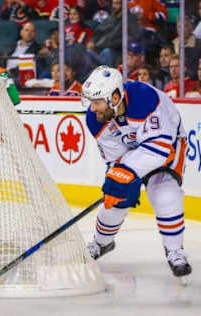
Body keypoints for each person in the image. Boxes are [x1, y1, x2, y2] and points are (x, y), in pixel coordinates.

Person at [81, 65, 191, 279]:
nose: (92, 109)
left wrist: (128, 172)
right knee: (115, 197)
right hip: (133, 151)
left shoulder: (144, 100)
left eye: (97, 102)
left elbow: (159, 150)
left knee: (164, 193)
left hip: (168, 145)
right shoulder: (95, 119)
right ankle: (101, 243)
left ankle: (175, 250)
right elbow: (115, 158)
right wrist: (119, 178)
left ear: (114, 97)